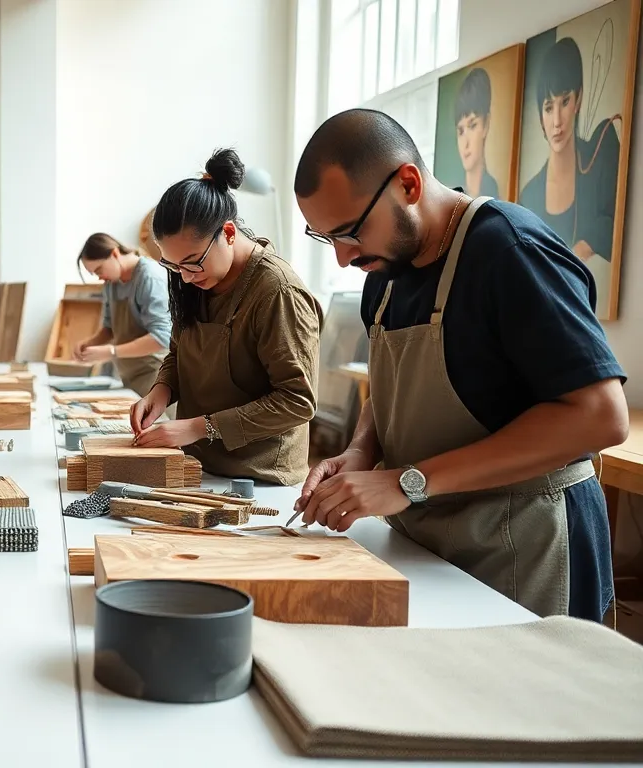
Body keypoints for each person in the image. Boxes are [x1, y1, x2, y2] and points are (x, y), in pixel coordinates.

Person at [292, 107, 627, 623]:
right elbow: (392, 392)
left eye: (351, 231)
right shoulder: (384, 272)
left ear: (408, 183)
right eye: (326, 238)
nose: (342, 258)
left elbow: (601, 415)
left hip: (527, 546)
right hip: (430, 538)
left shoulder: (509, 250)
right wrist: (360, 452)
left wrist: (407, 481)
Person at [130, 148, 323, 486]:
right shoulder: (192, 276)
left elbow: (297, 400)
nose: (186, 276)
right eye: (173, 266)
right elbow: (180, 351)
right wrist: (161, 390)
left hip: (258, 477)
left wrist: (197, 427)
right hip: (198, 463)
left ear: (229, 234)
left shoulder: (276, 291)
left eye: (192, 262)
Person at [517, 36, 621, 290]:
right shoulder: (528, 197)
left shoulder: (601, 151)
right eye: (548, 107)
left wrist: (582, 249)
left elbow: (613, 224)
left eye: (565, 101)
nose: (557, 122)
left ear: (579, 99)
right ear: (540, 115)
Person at [72, 233, 171, 396]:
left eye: (99, 269)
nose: (99, 277)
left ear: (114, 254)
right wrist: (89, 344)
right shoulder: (111, 284)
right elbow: (109, 328)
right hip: (129, 377)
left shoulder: (150, 277)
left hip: (157, 377)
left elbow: (162, 337)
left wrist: (111, 351)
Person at [451, 67, 500, 199]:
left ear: (486, 124)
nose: (465, 143)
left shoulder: (495, 192)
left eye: (472, 126)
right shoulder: (451, 194)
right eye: (460, 131)